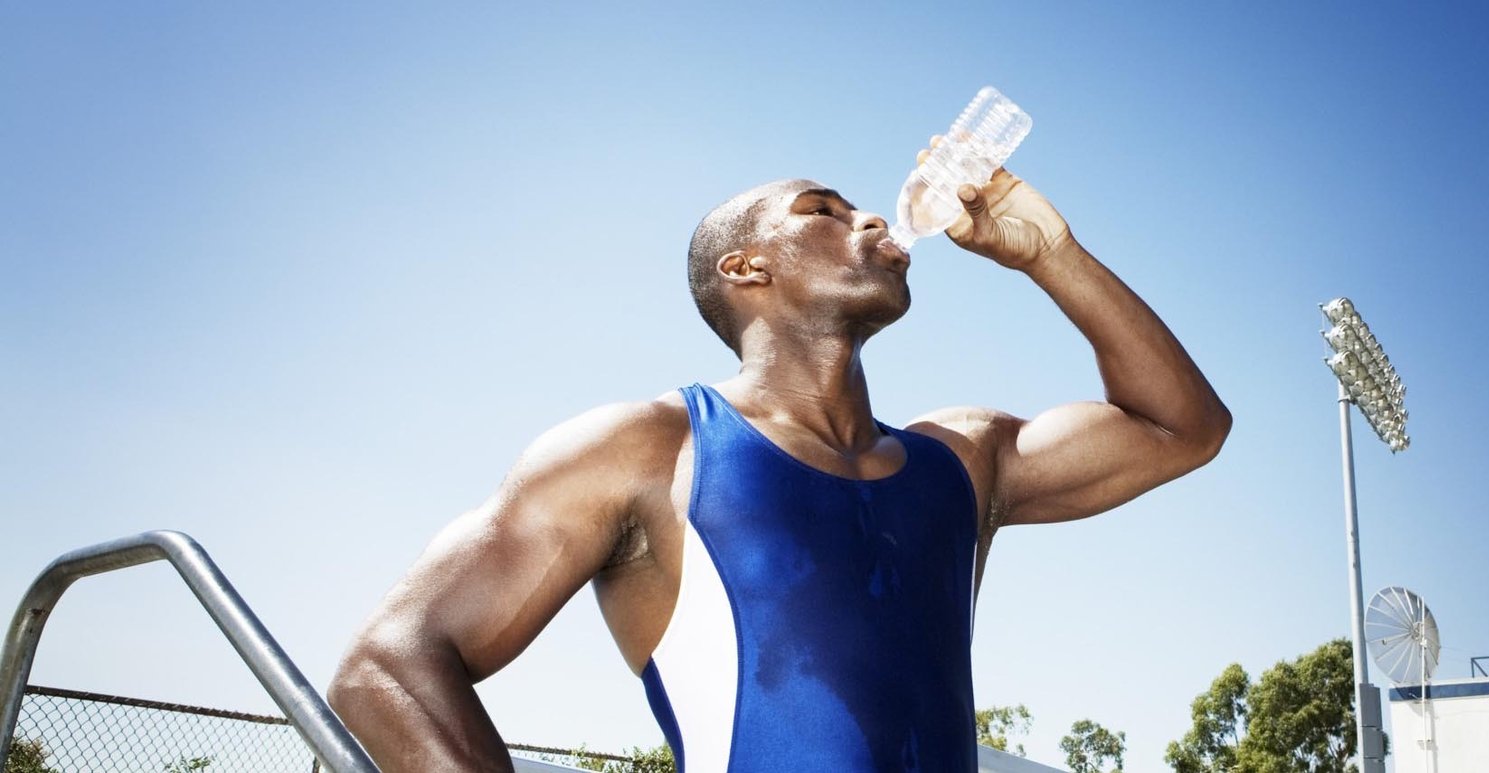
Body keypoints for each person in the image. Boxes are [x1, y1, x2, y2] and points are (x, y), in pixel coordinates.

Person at [327, 142, 1232, 772]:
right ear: (746, 270)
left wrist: (1053, 255)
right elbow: (389, 661)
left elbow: (1182, 426)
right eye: (823, 212)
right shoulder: (649, 447)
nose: (871, 218)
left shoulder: (962, 458)